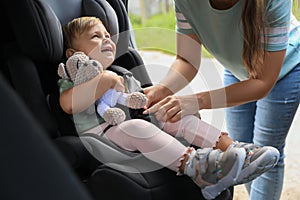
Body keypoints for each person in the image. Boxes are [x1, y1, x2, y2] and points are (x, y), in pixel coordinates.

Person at [58, 16, 279, 199]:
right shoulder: (74, 79)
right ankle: (197, 169)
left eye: (108, 35)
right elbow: (68, 104)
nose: (106, 39)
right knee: (136, 127)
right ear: (72, 54)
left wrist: (168, 108)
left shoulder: (122, 72)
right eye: (96, 37)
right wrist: (104, 79)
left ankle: (233, 150)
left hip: (132, 125)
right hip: (102, 137)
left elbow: (141, 102)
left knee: (175, 117)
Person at [143, 1, 300, 200]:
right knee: (241, 154)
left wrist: (196, 100)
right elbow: (187, 60)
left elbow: (262, 82)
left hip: (285, 70)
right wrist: (162, 88)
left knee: (266, 150)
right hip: (238, 67)